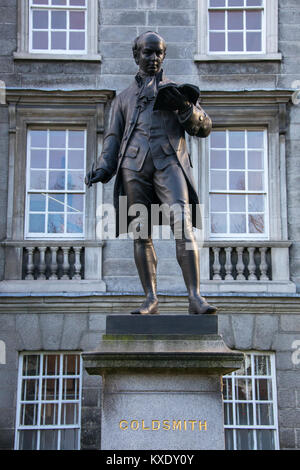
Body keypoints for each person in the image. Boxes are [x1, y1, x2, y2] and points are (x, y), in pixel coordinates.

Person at [85, 31, 217, 316]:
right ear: (136, 56)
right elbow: (112, 138)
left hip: (169, 163)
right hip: (134, 166)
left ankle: (195, 297)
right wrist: (103, 168)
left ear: (164, 56)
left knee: (183, 225)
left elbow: (204, 127)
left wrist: (185, 108)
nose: (153, 57)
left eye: (158, 52)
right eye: (148, 52)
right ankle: (150, 298)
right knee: (141, 234)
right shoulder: (122, 99)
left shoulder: (176, 91)